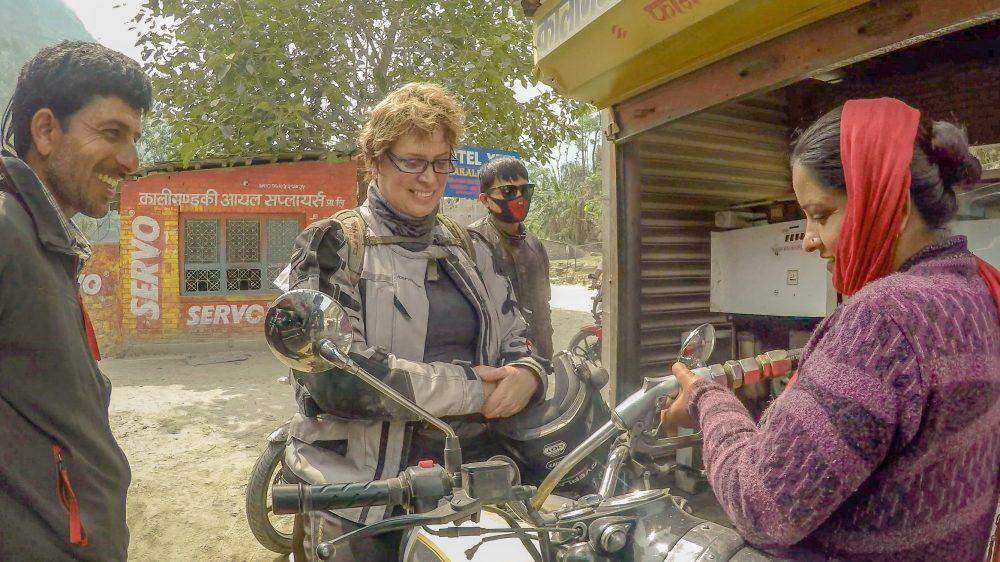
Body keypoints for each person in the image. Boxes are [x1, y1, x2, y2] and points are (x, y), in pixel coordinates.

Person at [660, 98, 1000, 561]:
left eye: (821, 214)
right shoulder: (975, 288)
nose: (807, 239)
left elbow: (761, 504)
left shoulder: (885, 319)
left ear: (888, 200)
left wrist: (706, 400)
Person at [284, 83, 547, 561]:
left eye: (441, 161)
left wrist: (527, 374)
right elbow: (336, 378)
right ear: (377, 160)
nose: (429, 178)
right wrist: (471, 388)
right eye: (412, 161)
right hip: (360, 495)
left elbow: (519, 336)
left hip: (470, 481)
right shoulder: (332, 246)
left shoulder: (473, 247)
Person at [0, 41, 151, 561]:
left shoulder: (45, 244)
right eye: (111, 134)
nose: (130, 161)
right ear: (45, 130)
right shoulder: (5, 233)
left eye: (134, 138)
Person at [470, 156, 554, 359]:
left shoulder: (535, 245)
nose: (519, 197)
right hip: (495, 364)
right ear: (485, 200)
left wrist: (545, 349)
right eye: (508, 191)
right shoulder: (472, 243)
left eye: (525, 190)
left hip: (538, 360)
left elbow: (544, 304)